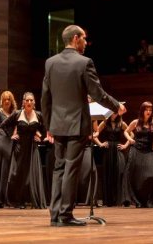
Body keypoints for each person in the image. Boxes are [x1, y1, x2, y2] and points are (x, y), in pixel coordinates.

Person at [41, 24, 126, 227]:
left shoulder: (50, 62)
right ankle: (65, 214)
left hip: (58, 124)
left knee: (59, 169)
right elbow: (97, 93)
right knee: (71, 169)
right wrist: (117, 107)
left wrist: (48, 124)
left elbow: (45, 97)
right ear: (76, 38)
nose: (86, 43)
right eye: (85, 39)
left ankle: (55, 214)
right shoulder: (84, 62)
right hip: (77, 124)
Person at [0, 92, 47, 209]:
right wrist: (11, 135)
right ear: (23, 102)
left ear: (34, 102)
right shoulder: (17, 114)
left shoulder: (39, 115)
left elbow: (46, 129)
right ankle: (17, 201)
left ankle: (32, 200)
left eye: (31, 100)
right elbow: (3, 125)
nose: (29, 102)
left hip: (32, 147)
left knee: (32, 174)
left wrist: (39, 137)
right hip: (19, 147)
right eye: (27, 100)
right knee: (18, 174)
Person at [123, 101, 153, 208]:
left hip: (148, 151)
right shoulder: (136, 122)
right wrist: (129, 139)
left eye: (150, 110)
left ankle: (150, 200)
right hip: (136, 150)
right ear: (142, 111)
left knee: (150, 175)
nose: (149, 112)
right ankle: (137, 201)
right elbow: (126, 131)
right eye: (146, 110)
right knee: (136, 177)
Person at [93, 113, 129, 206]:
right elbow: (95, 134)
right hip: (107, 151)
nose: (114, 114)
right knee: (107, 173)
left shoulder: (121, 123)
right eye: (112, 112)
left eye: (115, 112)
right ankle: (108, 200)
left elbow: (131, 134)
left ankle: (118, 199)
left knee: (118, 172)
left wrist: (125, 145)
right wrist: (100, 144)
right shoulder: (105, 122)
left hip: (117, 149)